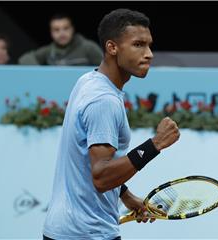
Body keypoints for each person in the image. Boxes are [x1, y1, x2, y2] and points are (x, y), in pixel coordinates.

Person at [43, 8, 180, 240]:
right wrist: (155, 144)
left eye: (149, 45)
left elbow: (86, 160)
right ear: (112, 47)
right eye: (138, 45)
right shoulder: (104, 101)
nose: (149, 54)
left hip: (64, 229)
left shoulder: (88, 80)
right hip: (87, 233)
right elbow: (102, 176)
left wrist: (124, 195)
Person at [18, 13, 103, 66]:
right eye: (56, 30)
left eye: (66, 28)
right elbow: (24, 58)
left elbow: (107, 66)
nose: (62, 33)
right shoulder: (49, 50)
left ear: (72, 29)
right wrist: (41, 73)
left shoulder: (88, 47)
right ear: (51, 32)